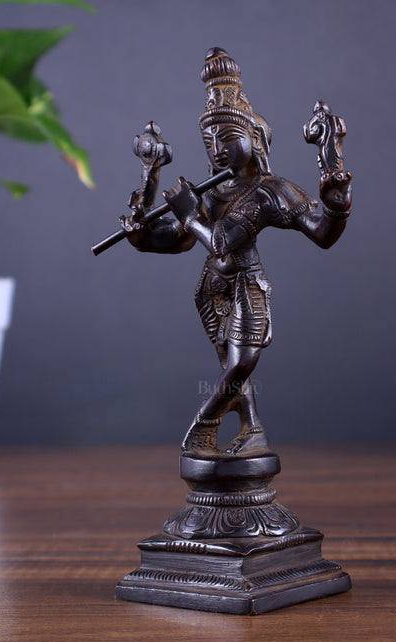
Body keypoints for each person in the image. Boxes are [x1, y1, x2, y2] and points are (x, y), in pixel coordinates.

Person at [122, 47, 352, 456]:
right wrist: (143, 224)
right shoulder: (212, 193)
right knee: (233, 368)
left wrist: (337, 205)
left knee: (241, 365)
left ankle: (203, 426)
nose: (216, 149)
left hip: (247, 284)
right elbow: (177, 239)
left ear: (255, 139)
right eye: (208, 140)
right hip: (212, 289)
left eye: (228, 137)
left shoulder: (269, 191)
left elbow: (319, 234)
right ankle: (253, 429)